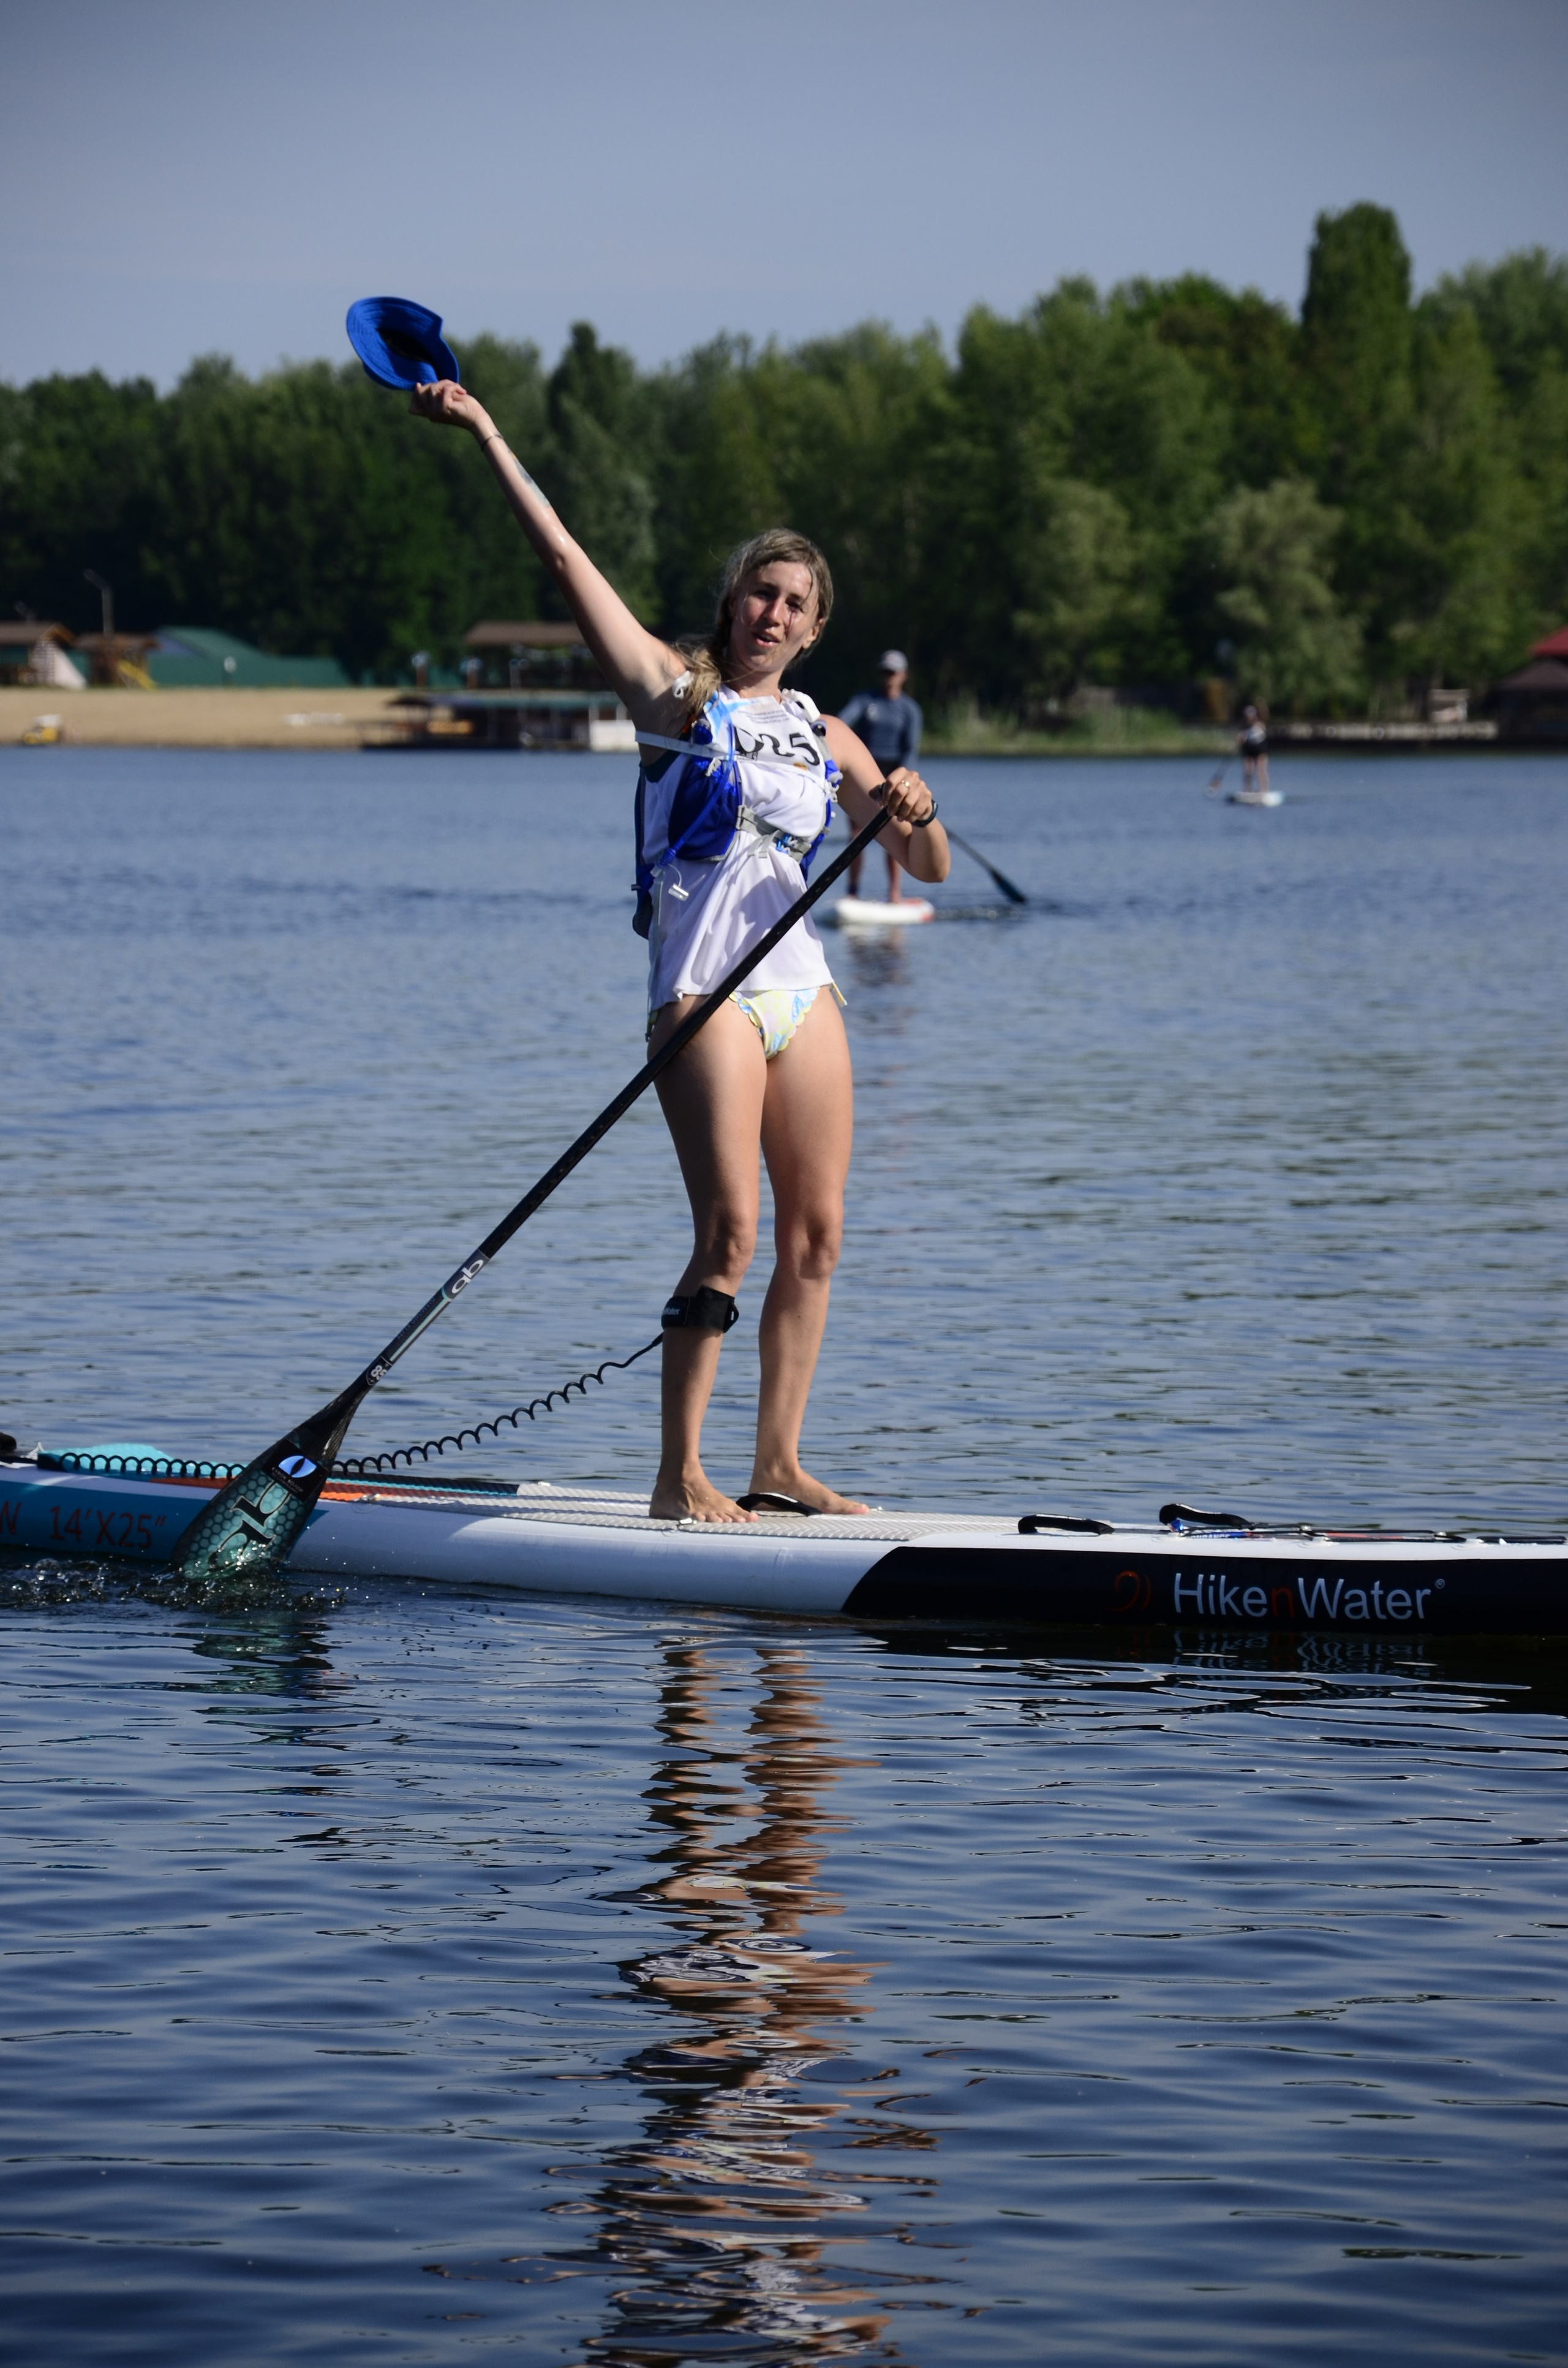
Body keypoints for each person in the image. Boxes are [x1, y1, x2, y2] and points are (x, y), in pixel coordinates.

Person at [409, 377, 949, 1526]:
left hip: (802, 997)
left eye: (794, 603)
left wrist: (913, 802)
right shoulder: (673, 697)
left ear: (813, 628)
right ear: (735, 600)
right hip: (705, 1002)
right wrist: (491, 436)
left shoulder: (826, 731)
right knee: (733, 1231)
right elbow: (564, 561)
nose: (773, 613)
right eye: (762, 591)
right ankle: (679, 1475)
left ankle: (778, 1465)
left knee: (817, 1234)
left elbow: (935, 864)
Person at [839, 653, 924, 901]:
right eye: (885, 672)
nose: (888, 678)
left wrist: (900, 786)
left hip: (895, 778)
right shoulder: (865, 701)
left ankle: (895, 893)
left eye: (893, 673)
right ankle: (853, 892)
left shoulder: (910, 710)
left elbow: (911, 751)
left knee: (896, 834)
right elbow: (842, 723)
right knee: (856, 835)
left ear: (903, 676)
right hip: (863, 775)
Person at [1238, 701, 1269, 796]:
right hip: (1250, 750)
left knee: (1261, 770)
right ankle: (1248, 790)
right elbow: (1241, 740)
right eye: (1248, 716)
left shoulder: (1260, 725)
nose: (1250, 718)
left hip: (1260, 750)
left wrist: (1262, 706)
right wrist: (1240, 740)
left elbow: (1265, 714)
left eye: (1251, 716)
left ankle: (1264, 791)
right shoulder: (1245, 729)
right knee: (1248, 770)